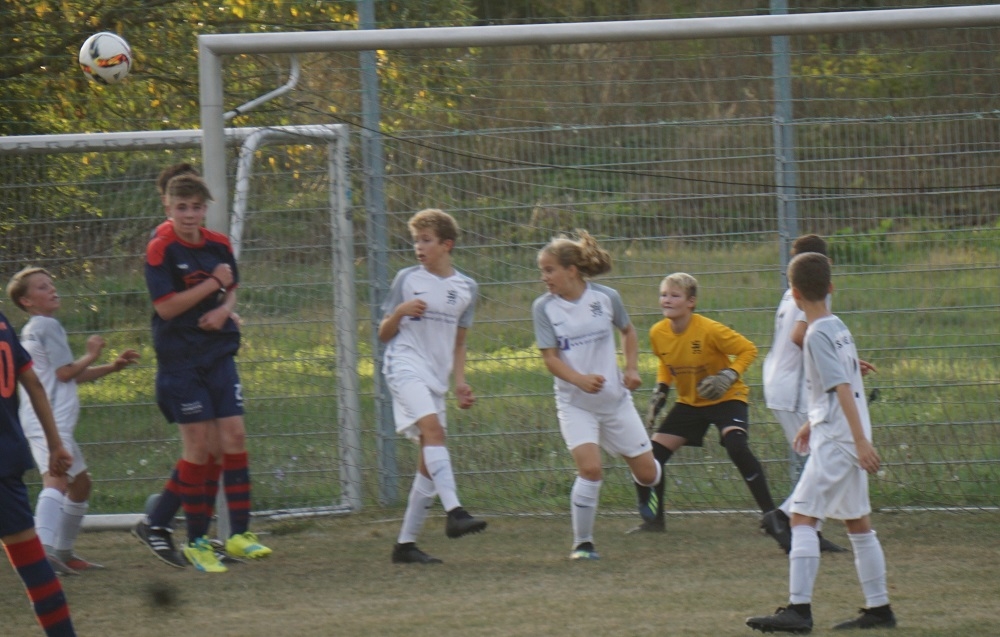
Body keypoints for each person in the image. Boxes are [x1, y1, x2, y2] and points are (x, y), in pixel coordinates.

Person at [746, 251, 896, 633]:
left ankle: (799, 611)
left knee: (801, 517)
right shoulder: (837, 325)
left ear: (794, 293)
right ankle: (879, 609)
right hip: (841, 433)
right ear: (831, 287)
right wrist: (811, 422)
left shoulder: (814, 334)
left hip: (840, 440)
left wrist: (859, 442)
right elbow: (837, 382)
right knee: (857, 523)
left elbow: (842, 387)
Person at [133, 173, 271, 573]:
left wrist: (225, 309)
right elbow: (166, 308)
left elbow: (231, 286)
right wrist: (212, 284)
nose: (190, 215)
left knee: (233, 437)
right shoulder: (160, 247)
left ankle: (239, 533)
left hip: (218, 353)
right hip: (181, 360)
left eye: (196, 207)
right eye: (182, 207)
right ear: (167, 207)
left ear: (205, 208)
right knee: (200, 448)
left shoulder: (218, 244)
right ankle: (194, 541)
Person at [532, 230, 661, 561]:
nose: (544, 277)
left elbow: (628, 331)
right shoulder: (544, 308)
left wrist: (631, 369)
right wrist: (579, 380)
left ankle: (648, 491)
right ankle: (583, 544)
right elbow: (550, 359)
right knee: (590, 470)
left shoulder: (605, 298)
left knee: (648, 474)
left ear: (571, 270)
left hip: (615, 402)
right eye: (542, 271)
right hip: (576, 405)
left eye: (549, 270)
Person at [634, 272, 786, 550]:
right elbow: (666, 363)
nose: (667, 300)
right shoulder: (657, 332)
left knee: (736, 446)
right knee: (651, 457)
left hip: (726, 397)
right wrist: (662, 390)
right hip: (690, 402)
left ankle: (771, 516)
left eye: (675, 295)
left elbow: (748, 350)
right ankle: (654, 520)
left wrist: (728, 375)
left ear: (691, 302)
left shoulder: (709, 330)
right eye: (663, 295)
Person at [6, 267, 140, 574]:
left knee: (80, 484)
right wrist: (91, 354)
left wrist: (111, 367)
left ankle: (63, 552)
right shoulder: (46, 325)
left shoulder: (36, 327)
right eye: (42, 287)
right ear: (27, 301)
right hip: (47, 421)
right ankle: (42, 552)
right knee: (57, 479)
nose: (52, 290)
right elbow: (66, 373)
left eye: (51, 284)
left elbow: (68, 376)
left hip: (52, 421)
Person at [381, 208, 487, 565]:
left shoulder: (466, 288)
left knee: (429, 462)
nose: (418, 247)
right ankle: (455, 511)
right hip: (404, 364)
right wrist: (400, 312)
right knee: (434, 432)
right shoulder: (406, 279)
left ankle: (405, 545)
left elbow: (459, 342)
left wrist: (460, 383)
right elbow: (383, 333)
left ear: (447, 245)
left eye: (426, 240)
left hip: (436, 378)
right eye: (416, 241)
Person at [762, 234, 875, 554]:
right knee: (826, 458)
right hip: (795, 386)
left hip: (777, 381)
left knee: (823, 462)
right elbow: (801, 336)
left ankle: (802, 522)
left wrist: (842, 363)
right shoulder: (815, 302)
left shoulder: (792, 293)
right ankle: (789, 520)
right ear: (828, 268)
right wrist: (835, 366)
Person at [0, 309, 77, 636]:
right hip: (5, 462)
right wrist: (55, 444)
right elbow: (33, 383)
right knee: (33, 567)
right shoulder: (2, 322)